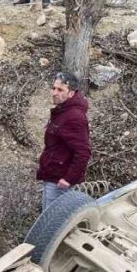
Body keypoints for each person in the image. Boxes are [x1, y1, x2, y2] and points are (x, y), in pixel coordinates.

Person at [36, 71, 92, 212]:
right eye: (54, 88)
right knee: (46, 219)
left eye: (60, 90)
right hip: (52, 176)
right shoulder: (63, 111)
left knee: (51, 224)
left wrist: (69, 179)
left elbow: (83, 152)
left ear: (71, 93)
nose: (54, 93)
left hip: (59, 182)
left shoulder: (74, 117)